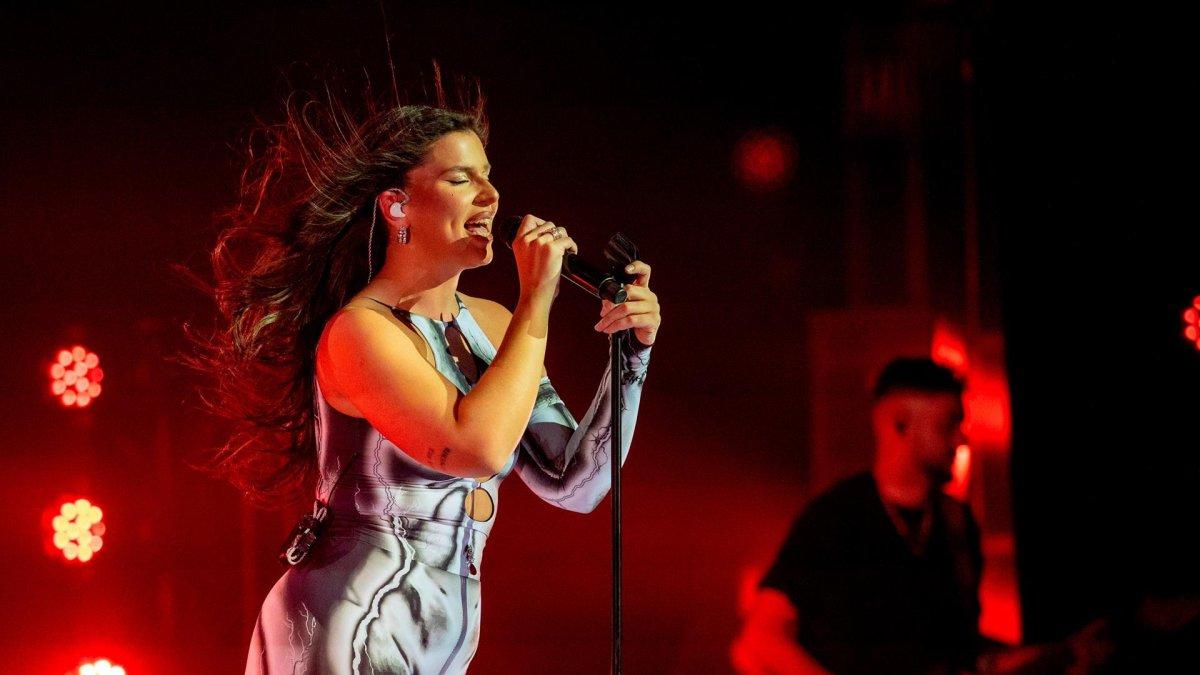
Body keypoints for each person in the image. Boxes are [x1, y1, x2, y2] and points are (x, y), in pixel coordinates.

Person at [187, 89, 660, 673]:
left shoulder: (493, 325)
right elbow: (476, 447)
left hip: (443, 632)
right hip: (350, 620)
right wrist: (538, 297)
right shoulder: (360, 332)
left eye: (489, 178)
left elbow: (576, 485)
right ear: (397, 205)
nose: (490, 197)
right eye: (462, 179)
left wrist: (631, 356)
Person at [732, 358, 980, 674]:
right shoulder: (835, 518)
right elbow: (761, 637)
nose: (961, 440)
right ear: (900, 423)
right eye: (949, 424)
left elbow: (959, 649)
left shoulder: (957, 523)